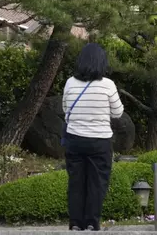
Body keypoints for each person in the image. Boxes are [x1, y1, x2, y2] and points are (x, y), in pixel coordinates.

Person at [62, 43, 124, 231]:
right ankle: (91, 222)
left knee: (76, 182)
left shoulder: (70, 83)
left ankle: (74, 223)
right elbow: (118, 112)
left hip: (74, 140)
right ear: (101, 62)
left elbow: (65, 110)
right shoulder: (108, 85)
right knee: (97, 183)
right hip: (100, 141)